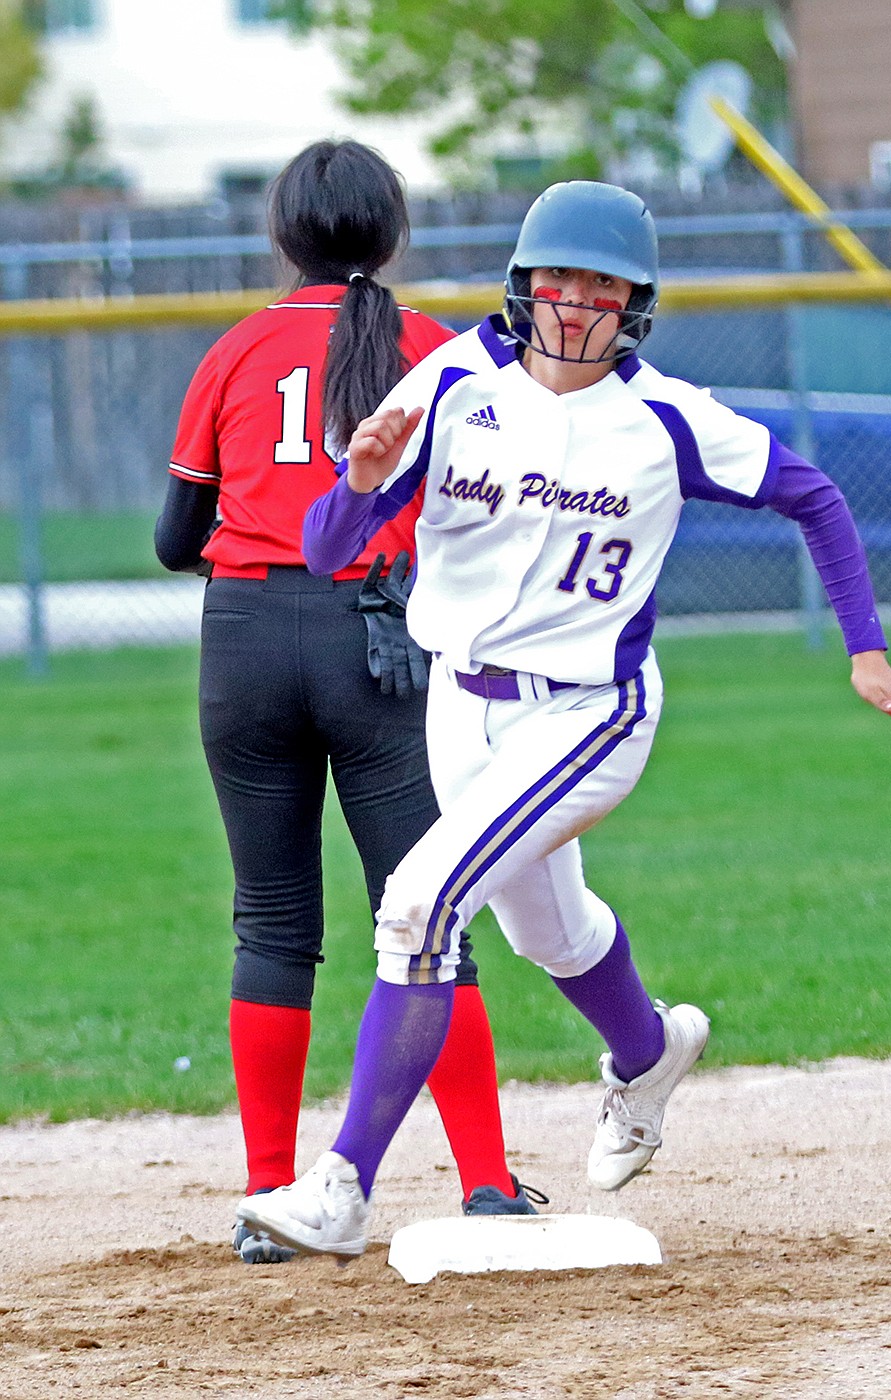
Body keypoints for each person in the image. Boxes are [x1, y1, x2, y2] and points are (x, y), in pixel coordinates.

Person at [236, 179, 891, 1260]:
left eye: (602, 283)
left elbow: (815, 495)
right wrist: (357, 482)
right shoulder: (454, 384)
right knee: (546, 932)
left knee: (420, 904)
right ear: (522, 287)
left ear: (636, 303)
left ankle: (341, 1187)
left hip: (589, 714)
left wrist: (866, 650)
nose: (575, 301)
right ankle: (649, 1050)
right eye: (557, 278)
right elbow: (331, 550)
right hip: (458, 704)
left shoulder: (664, 417)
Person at [154, 139, 539, 1265]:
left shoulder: (234, 349)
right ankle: (481, 1181)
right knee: (425, 913)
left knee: (272, 922)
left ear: (283, 236)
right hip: (381, 638)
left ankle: (270, 1192)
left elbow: (176, 537)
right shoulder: (435, 348)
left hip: (245, 638)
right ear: (390, 233)